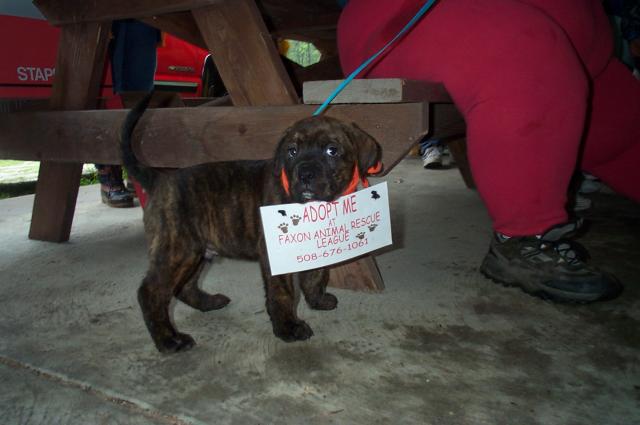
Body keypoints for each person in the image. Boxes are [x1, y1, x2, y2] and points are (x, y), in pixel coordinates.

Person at [337, 0, 640, 302]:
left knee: (622, 121)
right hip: (411, 20)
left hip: (583, 41)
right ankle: (522, 238)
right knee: (522, 49)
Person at [97, 20, 160, 207]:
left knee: (140, 91)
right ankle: (108, 172)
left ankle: (136, 171)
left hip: (143, 17)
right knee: (105, 88)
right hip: (103, 15)